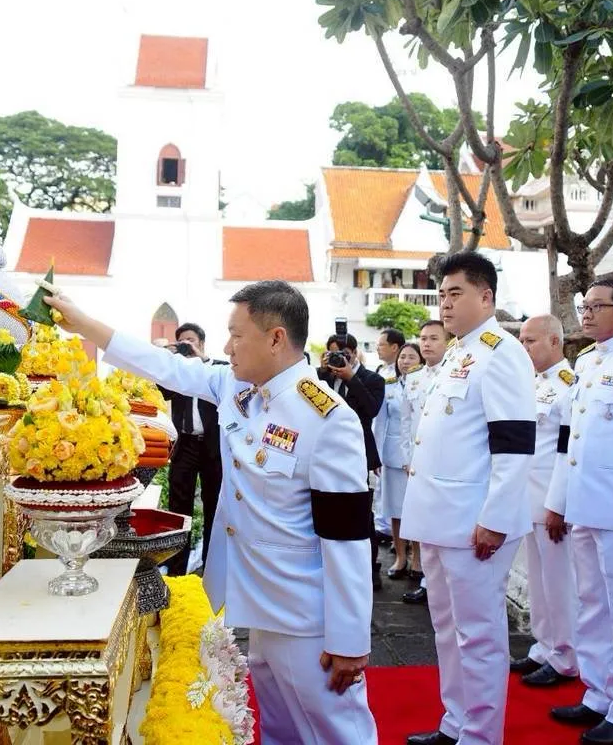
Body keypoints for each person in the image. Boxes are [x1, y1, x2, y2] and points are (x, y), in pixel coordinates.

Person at [43, 281, 379, 744]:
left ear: (276, 338)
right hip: (256, 601)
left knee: (337, 731)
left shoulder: (326, 418)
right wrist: (84, 324)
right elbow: (168, 366)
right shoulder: (239, 389)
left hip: (308, 617)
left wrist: (349, 639)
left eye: (236, 335)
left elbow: (347, 538)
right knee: (280, 730)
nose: (226, 347)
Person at [402, 251, 536, 745]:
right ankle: (455, 722)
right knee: (446, 628)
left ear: (486, 296)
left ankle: (481, 735)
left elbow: (516, 444)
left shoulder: (502, 352)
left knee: (478, 635)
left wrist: (496, 518)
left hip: (474, 522)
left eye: (455, 293)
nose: (445, 303)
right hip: (440, 518)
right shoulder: (461, 352)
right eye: (441, 294)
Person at [545, 280, 613, 744]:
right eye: (583, 306)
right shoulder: (586, 363)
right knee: (591, 603)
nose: (585, 314)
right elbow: (571, 442)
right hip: (585, 503)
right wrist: (560, 502)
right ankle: (597, 694)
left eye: (596, 307)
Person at [514, 314, 579, 688]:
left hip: (551, 502)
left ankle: (566, 655)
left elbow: (566, 451)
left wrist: (558, 504)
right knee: (539, 582)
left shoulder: (569, 386)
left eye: (531, 341)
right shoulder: (533, 384)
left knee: (559, 583)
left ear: (555, 342)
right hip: (529, 498)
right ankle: (544, 646)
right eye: (522, 341)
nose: (524, 349)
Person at [318, 333, 387, 590]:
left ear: (355, 353)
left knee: (363, 515)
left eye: (344, 355)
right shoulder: (321, 377)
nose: (339, 360)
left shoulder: (373, 379)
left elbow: (371, 410)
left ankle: (370, 568)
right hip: (326, 454)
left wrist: (350, 378)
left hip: (359, 455)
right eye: (333, 354)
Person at [157, 322, 225, 575]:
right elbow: (162, 391)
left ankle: (211, 568)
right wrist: (172, 359)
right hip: (185, 444)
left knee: (213, 506)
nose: (187, 345)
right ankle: (176, 569)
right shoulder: (178, 372)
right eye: (182, 341)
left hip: (212, 447)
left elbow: (226, 382)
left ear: (202, 343)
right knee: (179, 508)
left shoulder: (216, 369)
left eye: (191, 341)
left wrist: (200, 358)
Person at [402, 319, 449, 606]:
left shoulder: (453, 373)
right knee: (422, 528)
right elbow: (407, 423)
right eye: (423, 338)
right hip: (418, 464)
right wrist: (408, 459)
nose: (426, 343)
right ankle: (426, 581)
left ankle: (440, 583)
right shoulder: (415, 377)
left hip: (443, 465)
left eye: (433, 338)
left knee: (442, 527)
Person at [381, 342, 426, 579]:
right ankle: (400, 557)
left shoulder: (427, 383)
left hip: (418, 457)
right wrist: (377, 455)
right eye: (402, 357)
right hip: (392, 455)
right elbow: (380, 423)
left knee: (416, 510)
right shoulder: (389, 386)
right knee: (395, 510)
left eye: (411, 357)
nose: (405, 361)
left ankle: (417, 559)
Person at [373, 328, 406, 541]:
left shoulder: (416, 378)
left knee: (406, 502)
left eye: (381, 345)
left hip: (409, 452)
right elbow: (381, 420)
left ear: (395, 347)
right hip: (389, 449)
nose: (377, 349)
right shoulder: (381, 372)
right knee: (389, 499)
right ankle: (389, 533)